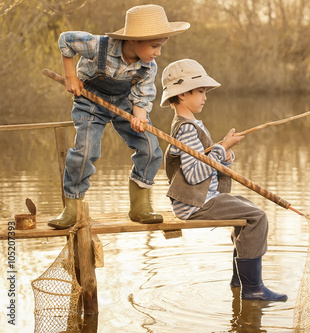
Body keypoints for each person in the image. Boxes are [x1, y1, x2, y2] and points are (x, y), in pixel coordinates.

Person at [48, 5, 190, 229]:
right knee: (86, 151)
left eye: (160, 46)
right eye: (154, 46)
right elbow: (66, 40)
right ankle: (72, 208)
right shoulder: (99, 45)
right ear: (134, 40)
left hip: (125, 103)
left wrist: (139, 117)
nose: (158, 52)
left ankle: (140, 206)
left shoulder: (148, 67)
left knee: (151, 147)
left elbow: (142, 96)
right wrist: (71, 77)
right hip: (90, 101)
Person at [161, 59, 287, 302]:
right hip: (195, 204)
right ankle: (253, 289)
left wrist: (224, 152)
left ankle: (239, 281)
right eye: (200, 92)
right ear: (183, 94)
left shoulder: (190, 124)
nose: (205, 97)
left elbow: (206, 161)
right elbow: (195, 173)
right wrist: (221, 148)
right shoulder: (186, 129)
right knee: (257, 218)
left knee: (247, 213)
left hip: (203, 198)